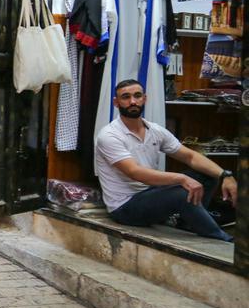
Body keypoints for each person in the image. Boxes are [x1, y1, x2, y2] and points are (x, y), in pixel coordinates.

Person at [95, 79, 236, 242]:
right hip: (125, 207)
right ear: (116, 102)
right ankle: (222, 239)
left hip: (151, 195)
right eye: (126, 97)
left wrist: (225, 175)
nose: (132, 101)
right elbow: (135, 172)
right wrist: (181, 178)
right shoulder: (109, 135)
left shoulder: (154, 130)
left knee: (208, 175)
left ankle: (188, 222)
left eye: (137, 96)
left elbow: (190, 156)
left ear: (144, 99)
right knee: (181, 193)